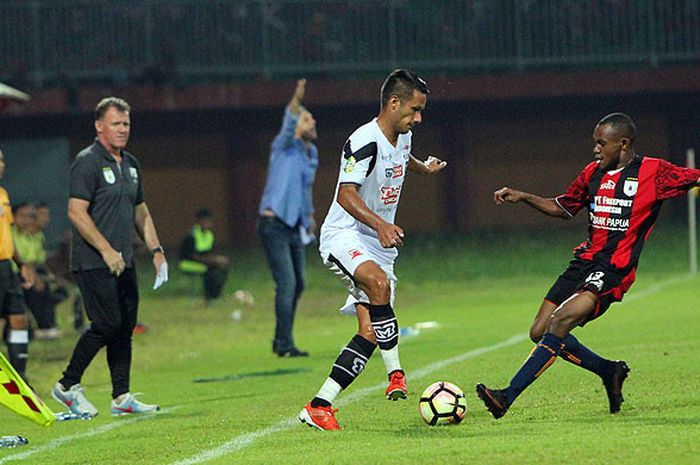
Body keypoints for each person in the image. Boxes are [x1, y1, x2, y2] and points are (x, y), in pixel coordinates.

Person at [476, 113, 700, 419]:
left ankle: (507, 396)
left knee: (561, 321)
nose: (595, 149)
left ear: (622, 144)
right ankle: (609, 371)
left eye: (601, 143)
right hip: (582, 262)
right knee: (539, 330)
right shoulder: (592, 173)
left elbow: (695, 177)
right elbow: (563, 207)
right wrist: (524, 196)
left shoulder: (654, 172)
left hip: (613, 269)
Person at [298, 69, 447, 431]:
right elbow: (345, 195)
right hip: (344, 235)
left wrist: (422, 169)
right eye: (414, 109)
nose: (418, 118)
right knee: (378, 285)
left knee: (369, 331)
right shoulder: (362, 140)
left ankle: (319, 406)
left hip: (377, 245)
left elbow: (401, 157)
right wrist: (380, 224)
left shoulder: (403, 136)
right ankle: (396, 374)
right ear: (393, 103)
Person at [51, 97, 168, 417]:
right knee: (106, 323)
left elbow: (141, 211)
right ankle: (66, 386)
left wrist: (156, 250)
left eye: (126, 124)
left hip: (125, 260)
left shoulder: (130, 164)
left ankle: (121, 397)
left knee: (124, 327)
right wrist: (105, 250)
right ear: (99, 126)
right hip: (93, 261)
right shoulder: (87, 162)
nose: (122, 129)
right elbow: (76, 212)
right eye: (115, 123)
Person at [258, 79, 319, 357]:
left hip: (294, 225)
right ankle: (284, 343)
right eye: (307, 119)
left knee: (300, 283)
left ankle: (281, 339)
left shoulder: (311, 153)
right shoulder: (284, 145)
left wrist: (309, 216)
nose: (312, 121)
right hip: (274, 224)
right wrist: (296, 99)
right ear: (296, 126)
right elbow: (289, 117)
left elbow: (305, 188)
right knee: (287, 283)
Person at [0, 149, 36, 381]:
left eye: (2, 160)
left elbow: (7, 235)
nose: (1, 165)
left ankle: (20, 379)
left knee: (19, 320)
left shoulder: (3, 194)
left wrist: (21, 264)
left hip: (6, 267)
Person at [12, 203, 64, 339]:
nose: (27, 220)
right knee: (36, 287)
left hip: (27, 273)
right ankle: (44, 326)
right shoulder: (10, 233)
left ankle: (45, 326)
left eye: (30, 216)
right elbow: (20, 260)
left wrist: (50, 276)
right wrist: (34, 276)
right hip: (13, 274)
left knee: (50, 285)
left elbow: (36, 261)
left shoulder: (37, 236)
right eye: (23, 216)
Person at [178, 208, 230, 302]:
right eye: (205, 221)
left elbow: (210, 252)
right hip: (188, 262)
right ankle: (209, 296)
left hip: (204, 260)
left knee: (223, 265)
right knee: (210, 269)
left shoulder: (210, 235)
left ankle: (216, 293)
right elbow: (189, 255)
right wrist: (211, 261)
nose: (208, 224)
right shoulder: (192, 236)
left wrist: (217, 259)